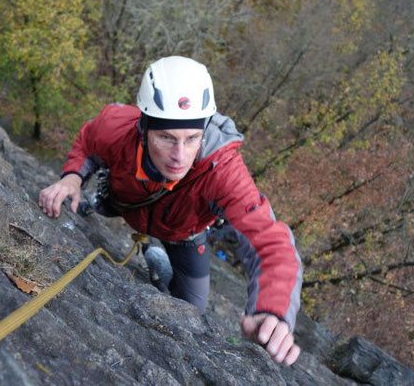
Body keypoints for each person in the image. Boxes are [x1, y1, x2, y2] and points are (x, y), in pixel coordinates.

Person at [39, 56, 302, 366]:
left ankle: (159, 260)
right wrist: (72, 177)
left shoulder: (223, 169)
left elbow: (271, 243)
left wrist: (272, 310)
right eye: (166, 138)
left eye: (192, 139)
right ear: (144, 127)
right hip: (123, 203)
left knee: (191, 309)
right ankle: (97, 203)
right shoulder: (117, 126)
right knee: (100, 201)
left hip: (183, 233)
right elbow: (88, 141)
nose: (180, 156)